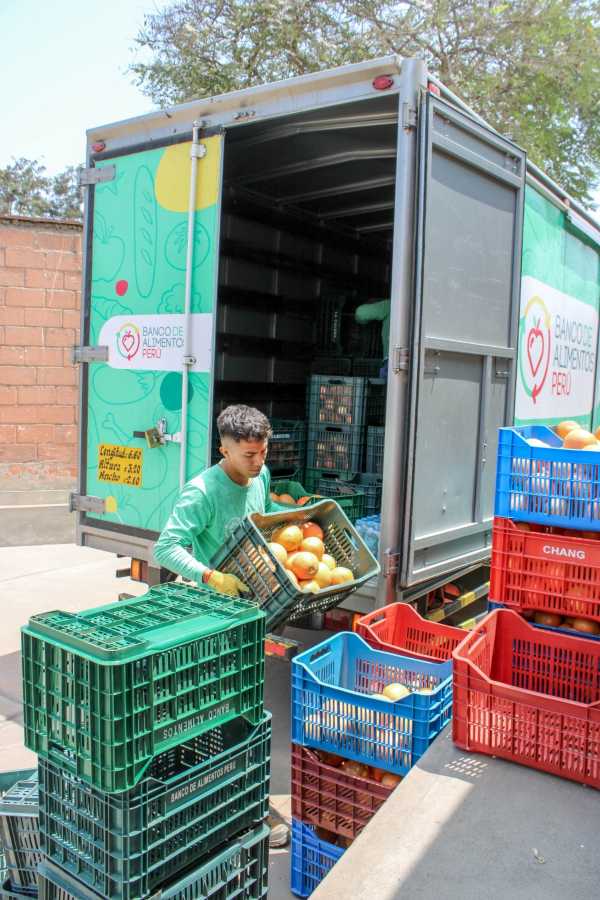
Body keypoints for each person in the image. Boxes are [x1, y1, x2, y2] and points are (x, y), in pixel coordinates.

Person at [154, 403, 290, 847]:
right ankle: (229, 807)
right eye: (248, 455)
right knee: (217, 712)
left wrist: (285, 509)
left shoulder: (260, 475)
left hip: (251, 610)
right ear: (224, 449)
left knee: (245, 709)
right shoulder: (201, 493)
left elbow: (263, 509)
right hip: (213, 619)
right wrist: (210, 575)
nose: (258, 462)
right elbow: (167, 549)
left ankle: (238, 803)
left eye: (263, 452)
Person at [354, 298, 391, 378]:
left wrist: (362, 321)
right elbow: (361, 312)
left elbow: (360, 313)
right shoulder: (390, 305)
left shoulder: (391, 305)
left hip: (392, 363)